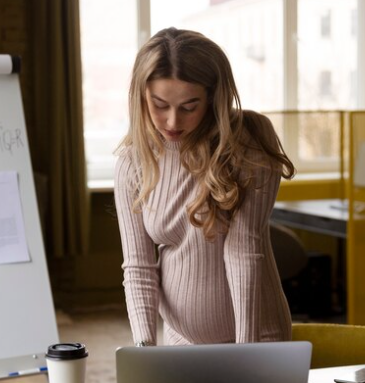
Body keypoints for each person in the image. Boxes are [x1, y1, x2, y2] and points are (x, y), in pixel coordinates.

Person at [114, 28, 295, 347]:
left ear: (213, 97)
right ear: (142, 96)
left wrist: (246, 351)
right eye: (159, 105)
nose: (172, 122)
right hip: (181, 340)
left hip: (257, 337)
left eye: (188, 106)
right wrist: (144, 349)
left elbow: (243, 251)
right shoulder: (133, 162)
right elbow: (139, 268)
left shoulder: (248, 143)